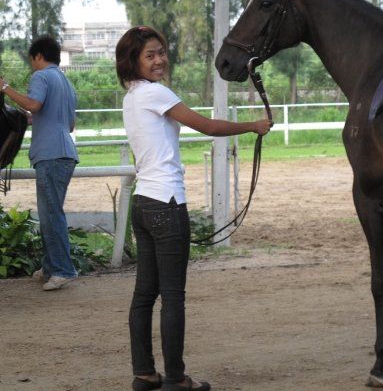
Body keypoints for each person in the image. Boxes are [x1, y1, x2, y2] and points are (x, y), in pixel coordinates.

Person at [116, 26, 271, 391]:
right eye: (149, 55)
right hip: (167, 203)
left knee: (144, 295)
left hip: (144, 202)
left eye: (161, 52)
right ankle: (175, 378)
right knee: (172, 296)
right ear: (134, 61)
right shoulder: (156, 93)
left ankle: (144, 373)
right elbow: (207, 126)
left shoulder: (133, 96)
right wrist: (253, 125)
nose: (159, 60)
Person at [0, 35, 79, 291]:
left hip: (50, 154)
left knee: (51, 214)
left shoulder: (41, 77)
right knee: (51, 213)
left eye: (32, 60)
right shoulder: (66, 82)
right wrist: (27, 118)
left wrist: (4, 87)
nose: (32, 66)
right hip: (65, 152)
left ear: (38, 56)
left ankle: (63, 270)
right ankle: (51, 267)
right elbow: (68, 123)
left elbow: (34, 104)